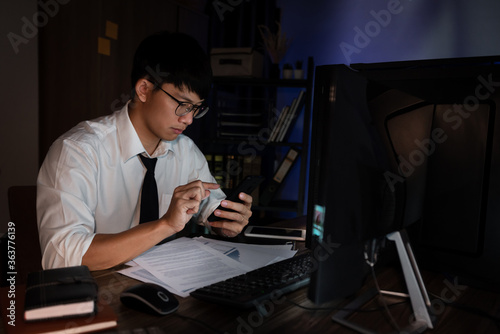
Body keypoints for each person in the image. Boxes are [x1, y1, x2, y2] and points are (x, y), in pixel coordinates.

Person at [37, 31, 253, 271]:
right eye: (182, 105)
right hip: (96, 294)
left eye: (196, 108)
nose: (190, 119)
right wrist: (166, 225)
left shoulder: (185, 151)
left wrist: (226, 220)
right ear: (144, 90)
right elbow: (65, 256)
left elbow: (210, 206)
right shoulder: (77, 152)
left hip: (163, 286)